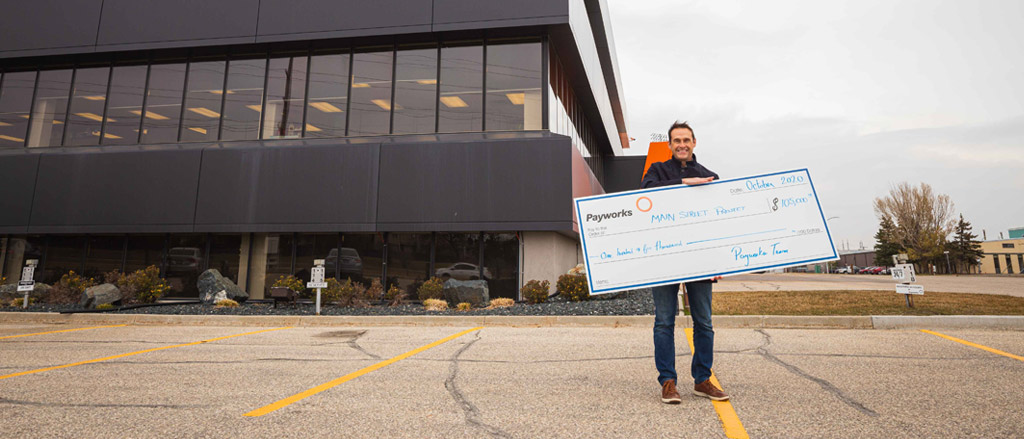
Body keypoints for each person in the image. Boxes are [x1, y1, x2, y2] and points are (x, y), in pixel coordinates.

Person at [641, 121, 729, 404]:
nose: (681, 144)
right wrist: (682, 184)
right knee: (664, 322)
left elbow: (719, 221)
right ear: (669, 145)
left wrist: (719, 262)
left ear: (694, 143)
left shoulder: (710, 176)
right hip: (665, 257)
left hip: (700, 261)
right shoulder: (657, 171)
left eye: (686, 140)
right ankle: (668, 381)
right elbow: (646, 195)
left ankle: (702, 380)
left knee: (704, 322)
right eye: (676, 140)